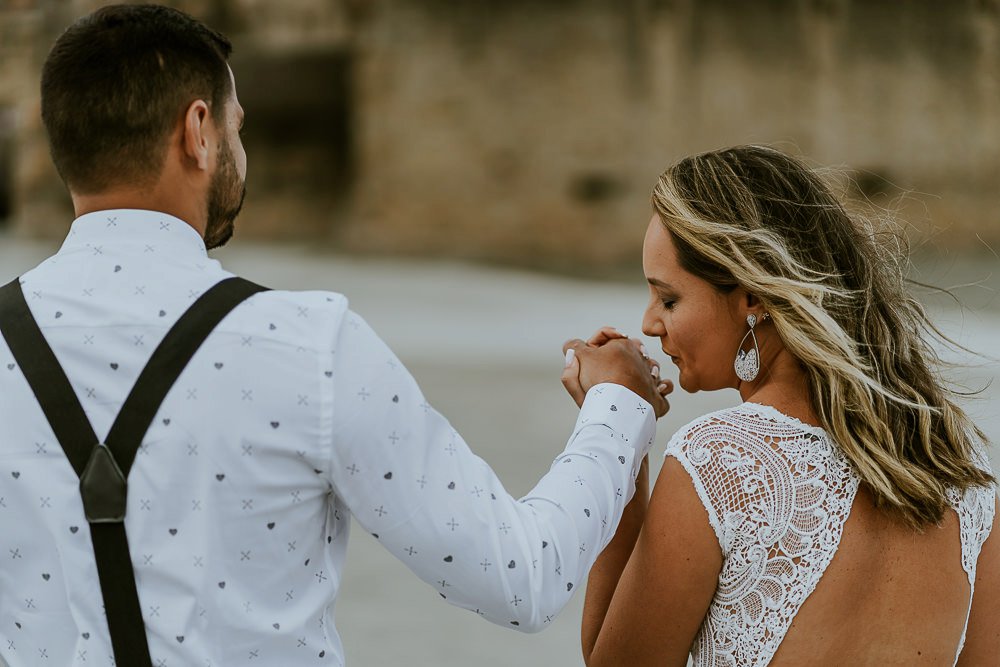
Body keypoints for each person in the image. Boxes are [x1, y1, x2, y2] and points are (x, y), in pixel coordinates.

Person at [0, 5, 672, 666]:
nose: (241, 150)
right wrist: (618, 402)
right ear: (197, 132)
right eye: (238, 126)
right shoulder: (308, 347)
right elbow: (521, 576)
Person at [573, 145, 999, 666]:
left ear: (753, 298)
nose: (649, 323)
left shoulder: (724, 460)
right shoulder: (964, 475)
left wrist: (619, 428)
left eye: (669, 299)